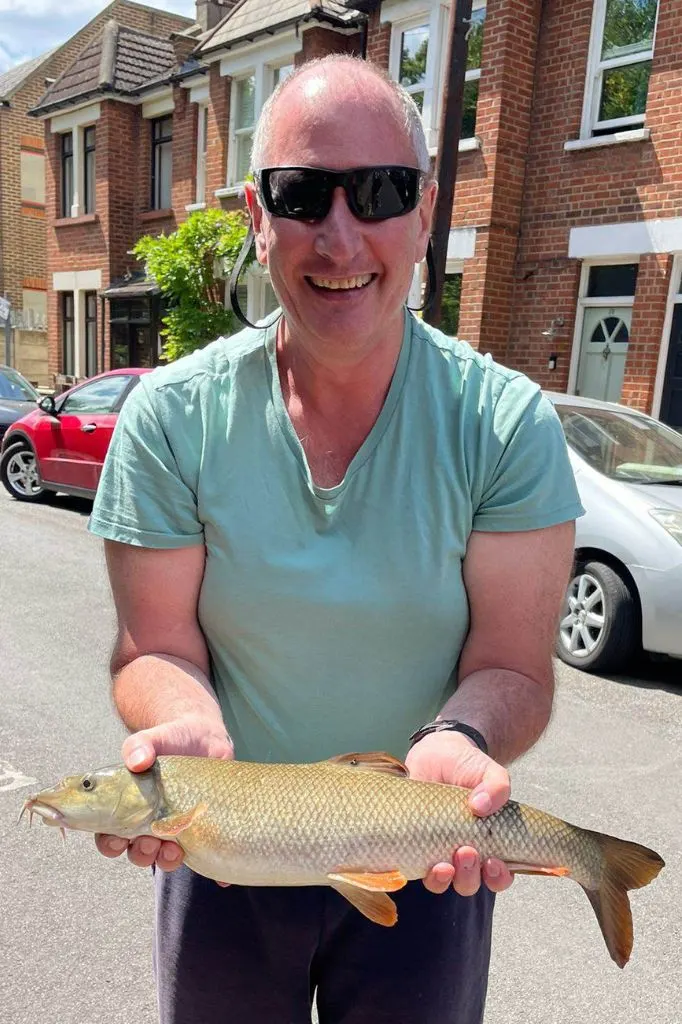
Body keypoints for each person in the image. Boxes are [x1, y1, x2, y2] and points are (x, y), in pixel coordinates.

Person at [89, 55, 582, 1024]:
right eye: (303, 192)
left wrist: (458, 738)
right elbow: (154, 644)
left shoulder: (505, 424)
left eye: (382, 191)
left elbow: (512, 665)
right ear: (256, 212)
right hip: (227, 845)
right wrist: (183, 720)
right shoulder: (172, 418)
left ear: (426, 208)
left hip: (421, 858)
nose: (340, 232)